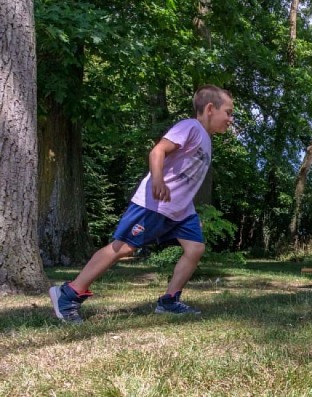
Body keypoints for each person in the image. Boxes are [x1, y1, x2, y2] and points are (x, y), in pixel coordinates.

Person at [49, 85, 234, 324]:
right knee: (123, 248)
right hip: (155, 204)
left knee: (195, 248)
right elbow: (158, 151)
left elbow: (185, 177)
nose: (230, 119)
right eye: (228, 112)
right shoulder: (190, 127)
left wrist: (189, 208)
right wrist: (157, 179)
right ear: (210, 109)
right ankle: (69, 294)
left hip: (180, 211)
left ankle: (169, 301)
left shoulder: (206, 140)